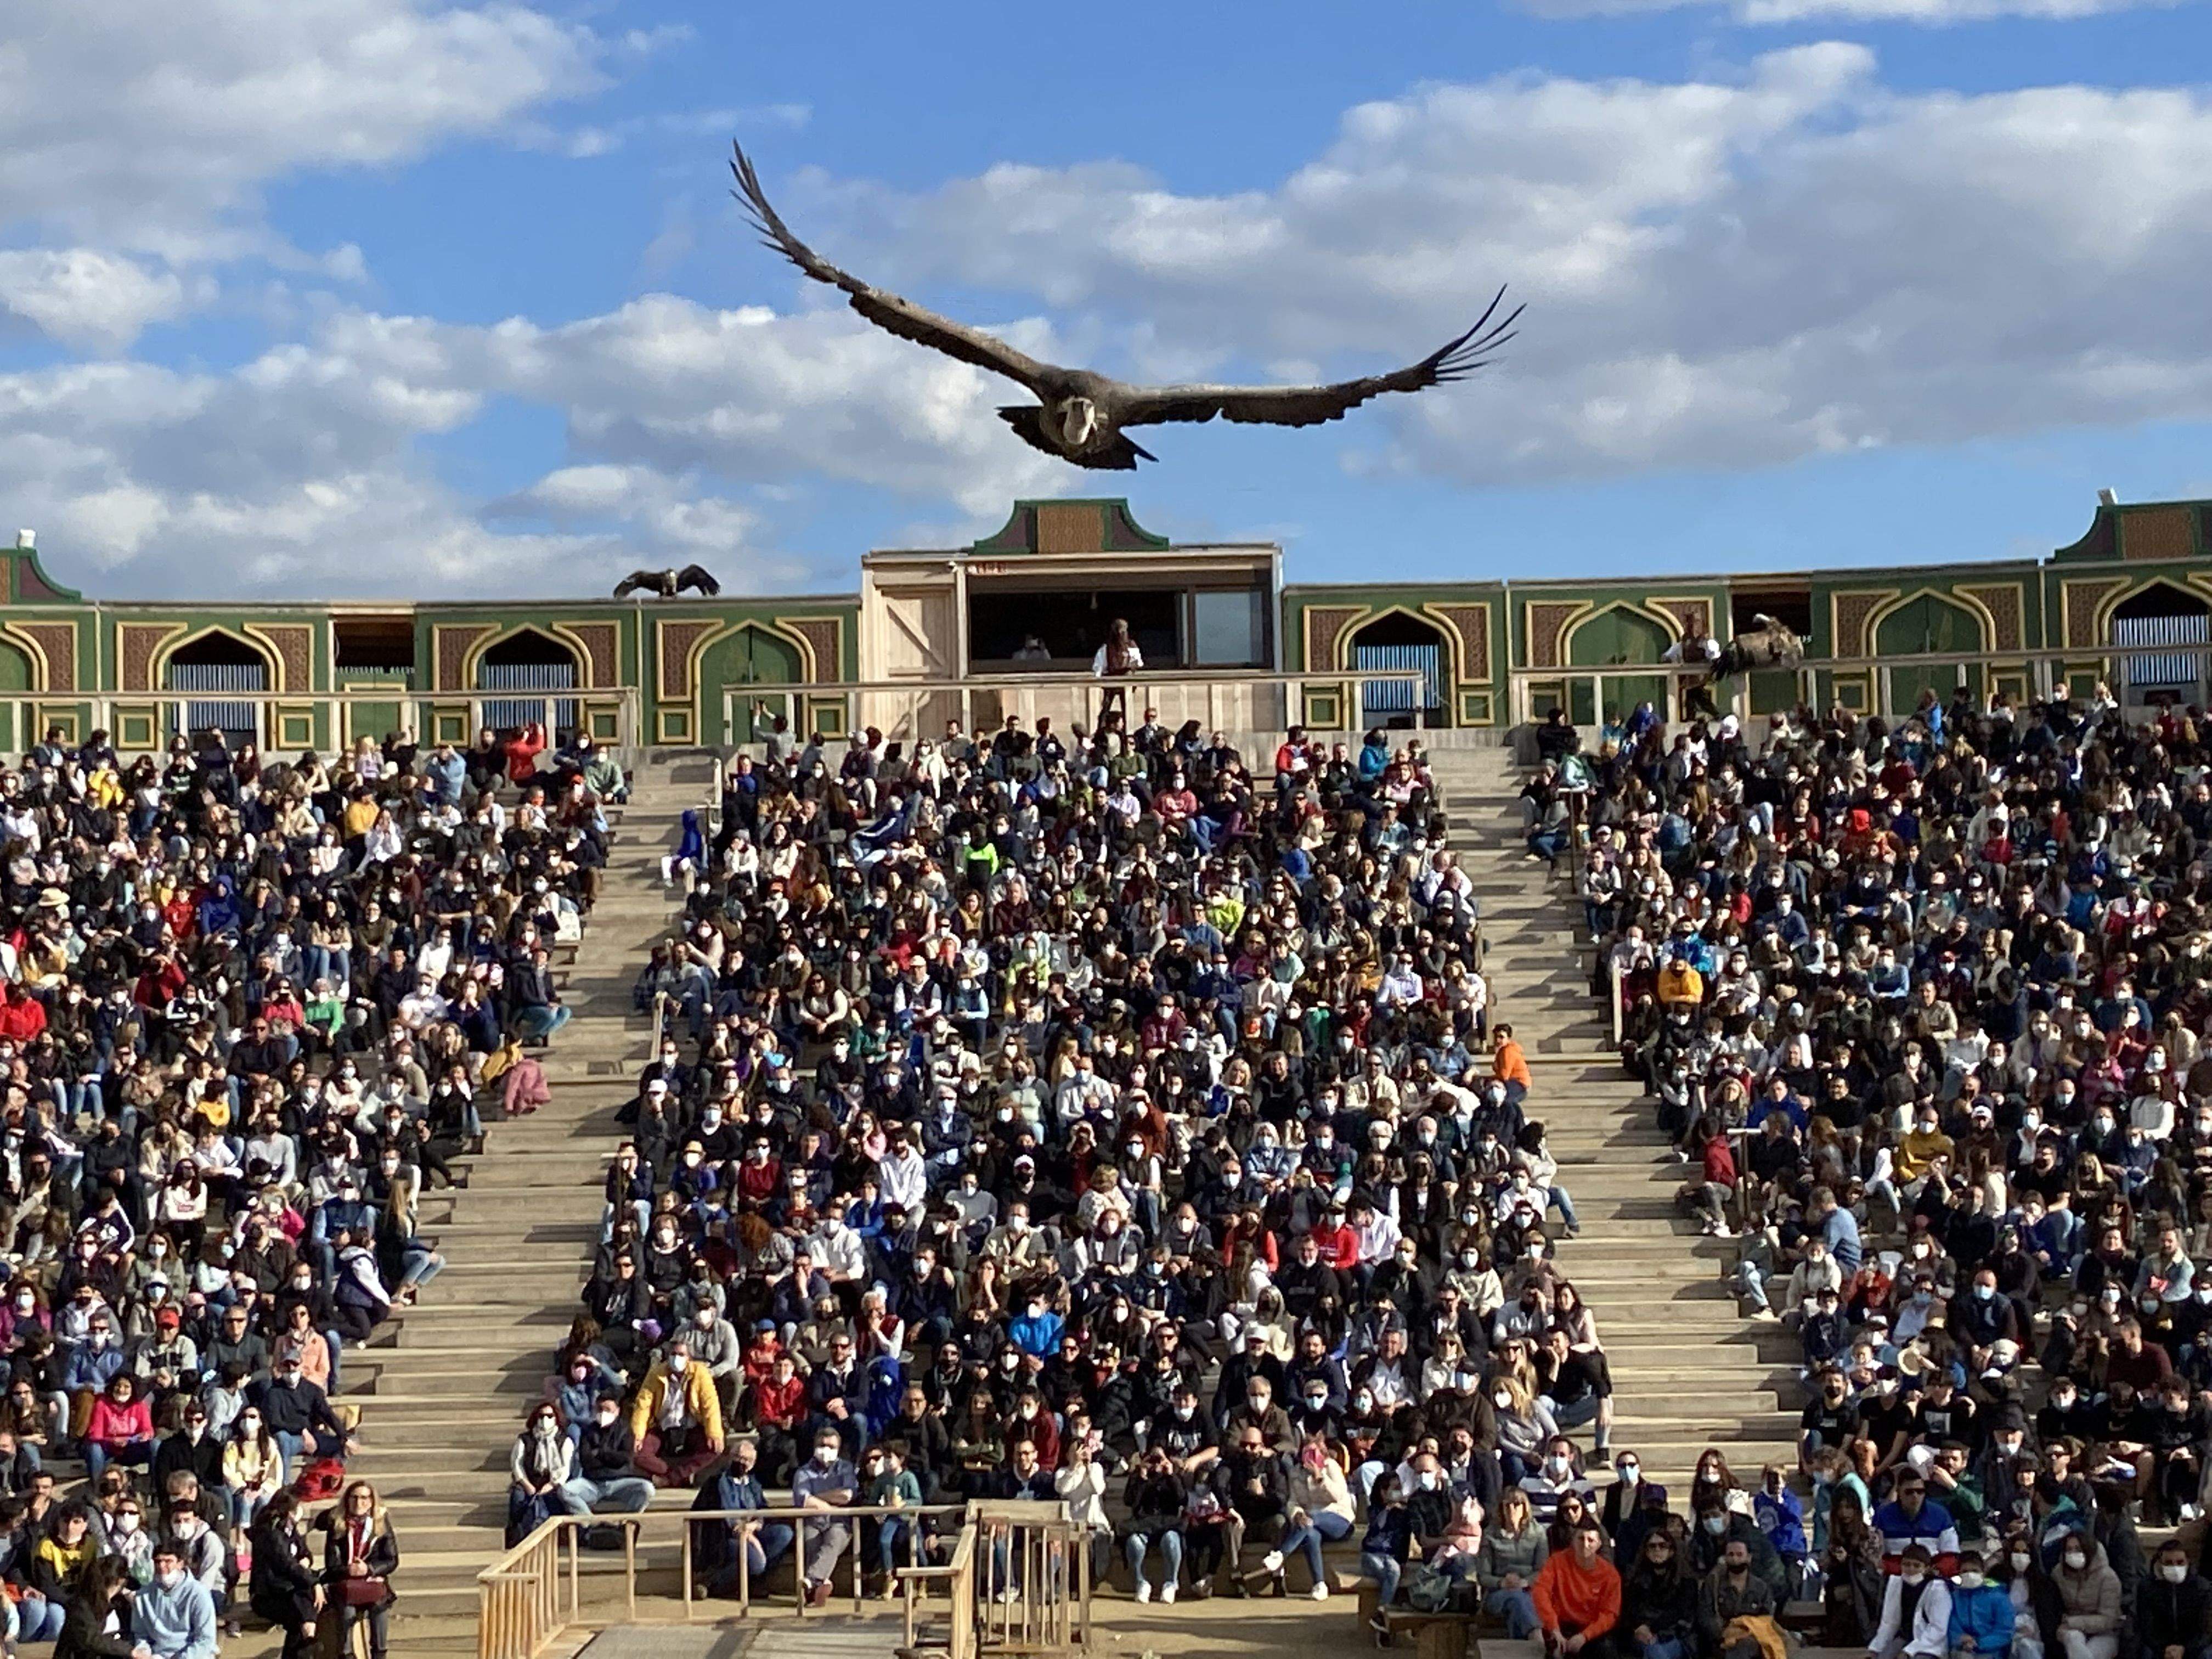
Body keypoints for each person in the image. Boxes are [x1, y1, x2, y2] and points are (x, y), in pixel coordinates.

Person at [325, 1480, 398, 1659]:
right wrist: (349, 1570)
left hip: (371, 1579)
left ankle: (379, 1654)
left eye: (365, 1498)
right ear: (348, 1500)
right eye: (355, 1498)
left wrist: (370, 1569)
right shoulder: (337, 1523)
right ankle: (347, 1654)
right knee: (347, 1608)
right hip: (345, 1581)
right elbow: (332, 1564)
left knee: (379, 1606)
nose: (359, 1503)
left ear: (372, 1501)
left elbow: (392, 1560)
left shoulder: (380, 1523)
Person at [249, 1491, 325, 1659]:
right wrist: (314, 1583)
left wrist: (306, 1563)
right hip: (268, 1595)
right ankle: (309, 1635)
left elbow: (306, 1554)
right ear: (290, 1511)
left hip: (290, 1591)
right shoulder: (270, 1533)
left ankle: (308, 1636)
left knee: (301, 1608)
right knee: (300, 1613)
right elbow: (287, 1565)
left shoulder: (291, 1530)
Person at [1533, 1520, 1622, 1659]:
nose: (1585, 1545)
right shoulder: (1556, 1562)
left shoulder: (1610, 1574)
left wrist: (1584, 1637)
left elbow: (1610, 1614)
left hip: (1593, 1631)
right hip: (1561, 1627)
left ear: (1599, 1545)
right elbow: (1540, 1592)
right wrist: (1554, 1628)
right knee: (1555, 1653)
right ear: (1573, 1542)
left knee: (1607, 1650)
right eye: (1581, 1539)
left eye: (1591, 1540)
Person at [133, 1537, 217, 1659]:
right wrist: (143, 1652)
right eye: (157, 1561)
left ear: (180, 1563)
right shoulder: (143, 1596)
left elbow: (206, 1639)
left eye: (168, 1561)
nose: (161, 1566)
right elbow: (141, 1635)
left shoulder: (199, 1593)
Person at [1869, 1543, 1954, 1659]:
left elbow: (1938, 1628)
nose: (1911, 1569)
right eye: (1906, 1564)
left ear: (1927, 1568)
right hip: (1904, 1637)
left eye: (1917, 1566)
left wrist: (1911, 1650)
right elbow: (1889, 1622)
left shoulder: (1937, 1588)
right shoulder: (1896, 1584)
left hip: (1929, 1642)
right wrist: (1876, 1648)